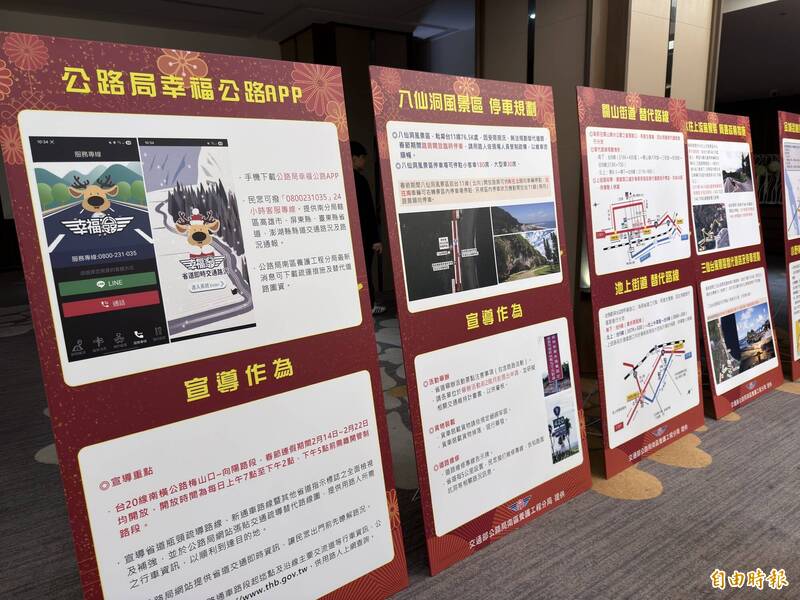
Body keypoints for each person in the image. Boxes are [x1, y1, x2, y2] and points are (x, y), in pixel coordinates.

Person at [351, 141, 386, 315]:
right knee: (365, 272)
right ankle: (369, 305)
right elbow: (368, 213)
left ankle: (358, 307)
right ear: (354, 158)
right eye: (362, 158)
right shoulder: (360, 181)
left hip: (350, 239)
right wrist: (376, 239)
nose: (364, 162)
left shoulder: (341, 180)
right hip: (364, 237)